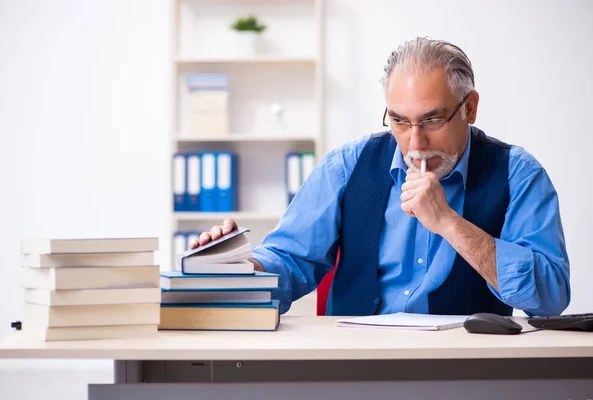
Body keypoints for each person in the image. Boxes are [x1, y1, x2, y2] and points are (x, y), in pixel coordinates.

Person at [190, 37, 570, 317]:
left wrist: (450, 223)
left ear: (469, 108)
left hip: (465, 369)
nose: (415, 143)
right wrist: (241, 269)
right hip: (354, 367)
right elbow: (291, 260)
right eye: (401, 122)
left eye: (433, 120)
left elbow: (551, 296)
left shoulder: (518, 174)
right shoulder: (347, 165)